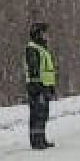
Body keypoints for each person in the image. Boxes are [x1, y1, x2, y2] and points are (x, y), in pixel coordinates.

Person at [24, 22, 58, 150]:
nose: (46, 36)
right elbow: (34, 69)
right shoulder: (33, 49)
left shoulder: (42, 48)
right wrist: (38, 86)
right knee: (38, 114)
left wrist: (50, 86)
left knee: (42, 113)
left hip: (44, 86)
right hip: (37, 87)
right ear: (37, 34)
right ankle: (37, 141)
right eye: (44, 33)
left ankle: (40, 139)